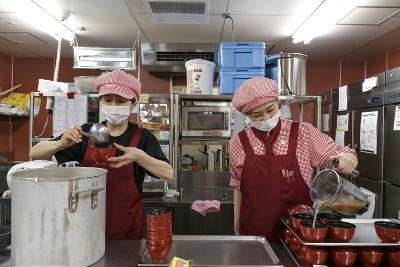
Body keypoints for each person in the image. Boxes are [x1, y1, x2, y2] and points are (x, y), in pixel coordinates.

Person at [31, 70, 173, 239]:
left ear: (132, 104)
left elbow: (168, 173)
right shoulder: (86, 132)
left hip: (125, 227)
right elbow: (35, 153)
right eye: (108, 100)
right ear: (101, 102)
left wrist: (139, 156)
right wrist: (60, 143)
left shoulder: (143, 137)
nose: (114, 105)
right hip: (85, 224)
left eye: (121, 101)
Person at [229, 77, 357, 240]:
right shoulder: (238, 142)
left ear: (277, 102)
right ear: (246, 115)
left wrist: (347, 157)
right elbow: (238, 186)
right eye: (256, 115)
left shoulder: (303, 133)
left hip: (298, 235)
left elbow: (338, 154)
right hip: (254, 234)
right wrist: (236, 225)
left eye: (270, 109)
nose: (266, 118)